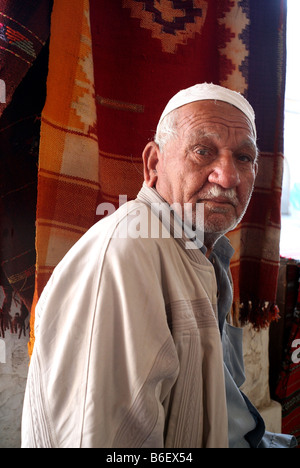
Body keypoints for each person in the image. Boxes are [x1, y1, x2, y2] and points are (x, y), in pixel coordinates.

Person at [21, 83, 296, 448]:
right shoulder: (126, 254)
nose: (227, 177)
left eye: (243, 158)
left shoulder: (200, 250)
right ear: (153, 163)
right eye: (203, 151)